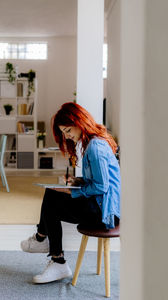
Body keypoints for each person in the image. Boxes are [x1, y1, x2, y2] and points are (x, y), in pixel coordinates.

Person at [21, 102, 121, 284]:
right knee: (52, 194)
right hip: (102, 206)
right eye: (64, 133)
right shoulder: (95, 141)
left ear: (79, 122)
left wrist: (71, 191)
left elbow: (102, 187)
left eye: (68, 130)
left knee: (52, 198)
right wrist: (78, 182)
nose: (67, 136)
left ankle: (47, 245)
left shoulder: (95, 148)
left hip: (105, 214)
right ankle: (45, 243)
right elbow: (98, 181)